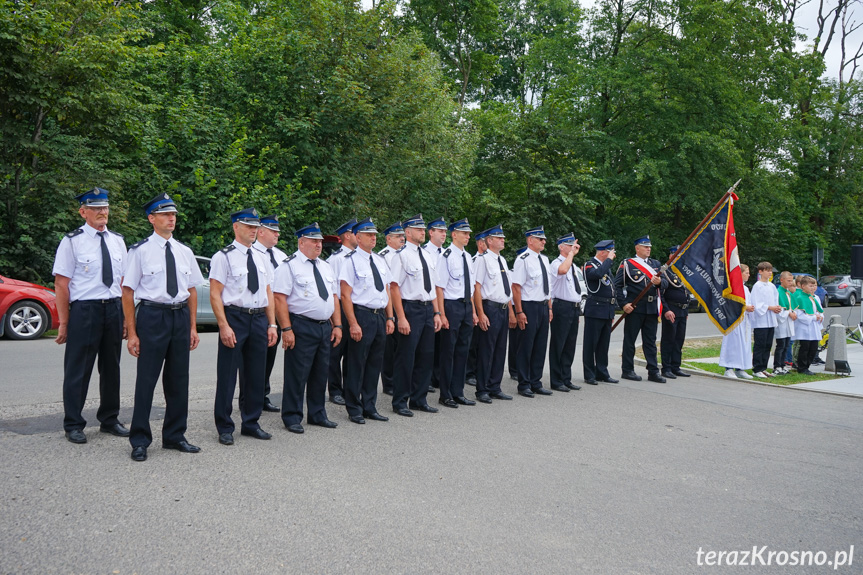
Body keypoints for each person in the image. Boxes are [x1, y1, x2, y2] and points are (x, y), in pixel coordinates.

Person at [123, 193, 204, 462]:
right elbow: (128, 292)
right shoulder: (140, 251)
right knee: (146, 380)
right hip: (152, 316)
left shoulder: (184, 251)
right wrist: (132, 332)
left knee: (179, 380)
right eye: (165, 214)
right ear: (152, 219)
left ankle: (175, 435)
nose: (172, 218)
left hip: (179, 317)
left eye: (174, 215)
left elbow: (191, 290)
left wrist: (192, 326)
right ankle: (140, 440)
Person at [53, 187, 129, 444]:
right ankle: (73, 423)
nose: (102, 213)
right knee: (79, 369)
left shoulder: (118, 240)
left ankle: (109, 419)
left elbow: (123, 281)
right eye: (96, 209)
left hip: (114, 308)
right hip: (86, 310)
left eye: (105, 208)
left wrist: (129, 320)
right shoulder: (72, 241)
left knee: (112, 368)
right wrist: (64, 322)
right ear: (83, 212)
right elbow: (62, 284)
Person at [210, 208, 278, 445]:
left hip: (259, 318)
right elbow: (216, 294)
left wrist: (272, 324)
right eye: (249, 226)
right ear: (235, 227)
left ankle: (251, 422)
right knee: (228, 374)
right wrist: (223, 326)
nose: (254, 230)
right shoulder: (224, 256)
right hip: (235, 317)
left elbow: (267, 291)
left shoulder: (262, 257)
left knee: (255, 375)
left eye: (255, 226)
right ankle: (225, 426)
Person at [274, 223, 343, 433]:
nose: (318, 245)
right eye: (314, 241)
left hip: (324, 326)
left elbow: (333, 297)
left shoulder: (325, 266)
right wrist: (286, 329)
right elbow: (279, 298)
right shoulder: (289, 266)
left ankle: (317, 413)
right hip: (301, 324)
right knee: (297, 374)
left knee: (320, 373)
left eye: (320, 241)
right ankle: (292, 416)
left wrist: (337, 324)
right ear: (301, 242)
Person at [339, 218, 393, 424]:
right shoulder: (350, 261)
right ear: (358, 237)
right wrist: (352, 323)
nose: (373, 238)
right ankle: (354, 408)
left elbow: (386, 289)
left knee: (374, 363)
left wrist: (390, 317)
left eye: (375, 235)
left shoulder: (380, 260)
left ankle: (370, 405)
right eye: (369, 235)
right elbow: (345, 295)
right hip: (361, 314)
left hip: (379, 315)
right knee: (356, 362)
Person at [389, 214, 443, 416]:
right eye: (419, 229)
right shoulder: (401, 255)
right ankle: (401, 401)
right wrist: (400, 317)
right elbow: (394, 287)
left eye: (423, 229)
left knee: (426, 356)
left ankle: (419, 399)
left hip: (428, 308)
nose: (422, 232)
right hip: (410, 308)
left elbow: (434, 287)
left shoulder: (427, 255)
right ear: (408, 232)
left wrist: (437, 312)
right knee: (406, 356)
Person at [238, 214, 286, 413]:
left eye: (278, 231)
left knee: (269, 358)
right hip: (257, 311)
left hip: (276, 313)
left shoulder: (281, 256)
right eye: (273, 231)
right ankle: (246, 399)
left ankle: (262, 395)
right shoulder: (251, 252)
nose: (277, 235)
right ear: (261, 231)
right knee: (250, 360)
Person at [435, 218, 478, 408]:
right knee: (448, 351)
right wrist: (442, 314)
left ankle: (458, 391)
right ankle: (445, 394)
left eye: (469, 234)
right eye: (464, 233)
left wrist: (474, 312)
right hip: (451, 306)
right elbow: (439, 288)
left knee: (463, 351)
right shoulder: (446, 256)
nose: (468, 236)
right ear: (454, 235)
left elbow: (471, 289)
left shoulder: (468, 257)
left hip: (466, 306)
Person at [472, 225, 515, 403]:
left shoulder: (502, 260)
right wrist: (480, 313)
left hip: (503, 308)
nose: (503, 240)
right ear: (489, 241)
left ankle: (495, 386)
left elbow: (507, 288)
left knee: (499, 349)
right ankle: (482, 389)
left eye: (503, 237)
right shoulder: (482, 260)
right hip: (489, 307)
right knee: (486, 350)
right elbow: (477, 287)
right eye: (499, 238)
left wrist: (511, 311)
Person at [615, 235, 667, 383]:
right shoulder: (628, 264)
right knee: (630, 340)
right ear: (637, 248)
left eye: (649, 246)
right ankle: (627, 370)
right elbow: (617, 285)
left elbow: (665, 284)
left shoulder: (656, 264)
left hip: (651, 308)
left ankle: (653, 371)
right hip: (635, 307)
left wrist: (659, 283)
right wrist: (624, 304)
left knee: (650, 341)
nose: (648, 249)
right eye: (645, 246)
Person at [511, 226, 553, 398]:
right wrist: (519, 312)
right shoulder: (523, 259)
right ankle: (524, 383)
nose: (544, 241)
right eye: (540, 239)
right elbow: (516, 287)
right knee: (526, 346)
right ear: (530, 240)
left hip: (543, 306)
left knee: (540, 346)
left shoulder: (544, 259)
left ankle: (536, 381)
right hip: (529, 306)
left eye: (544, 239)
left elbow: (548, 287)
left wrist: (549, 308)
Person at [326, 219, 358, 407]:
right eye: (356, 233)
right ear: (347, 235)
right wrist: (334, 317)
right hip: (340, 309)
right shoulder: (337, 259)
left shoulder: (360, 257)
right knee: (336, 352)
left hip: (356, 308)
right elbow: (333, 290)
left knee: (352, 352)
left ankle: (350, 389)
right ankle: (335, 390)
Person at [548, 232, 583, 392]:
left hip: (573, 308)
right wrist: (570, 255)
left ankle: (566, 377)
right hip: (561, 307)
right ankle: (556, 380)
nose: (572, 249)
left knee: (569, 345)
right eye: (569, 246)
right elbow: (562, 271)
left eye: (573, 246)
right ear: (561, 247)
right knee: (558, 344)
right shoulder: (557, 263)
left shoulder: (573, 266)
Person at [582, 240, 619, 385]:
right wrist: (608, 260)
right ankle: (589, 374)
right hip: (595, 309)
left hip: (607, 310)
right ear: (603, 252)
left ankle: (602, 372)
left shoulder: (606, 267)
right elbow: (597, 275)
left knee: (604, 344)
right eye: (611, 252)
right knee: (591, 344)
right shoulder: (589, 265)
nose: (613, 255)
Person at [378, 221, 405, 396]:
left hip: (404, 303)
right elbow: (387, 285)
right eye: (398, 236)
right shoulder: (384, 256)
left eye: (403, 236)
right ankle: (388, 382)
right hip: (390, 304)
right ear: (388, 239)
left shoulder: (406, 254)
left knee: (402, 346)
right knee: (389, 346)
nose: (402, 239)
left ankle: (400, 379)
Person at [423, 217, 447, 392]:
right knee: (426, 345)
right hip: (427, 303)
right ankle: (427, 378)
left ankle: (437, 377)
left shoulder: (446, 254)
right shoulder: (424, 252)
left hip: (444, 303)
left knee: (441, 344)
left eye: (445, 231)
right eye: (440, 231)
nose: (443, 234)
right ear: (430, 232)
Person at [660, 245, 691, 379]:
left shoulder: (684, 272)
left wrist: (687, 310)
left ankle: (675, 366)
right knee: (669, 339)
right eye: (677, 255)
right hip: (671, 309)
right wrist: (666, 310)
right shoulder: (665, 271)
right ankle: (666, 368)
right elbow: (660, 294)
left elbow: (685, 292)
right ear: (671, 256)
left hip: (682, 311)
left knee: (679, 340)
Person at [719, 264, 755, 379]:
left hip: (744, 321)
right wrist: (745, 308)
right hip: (734, 320)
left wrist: (750, 308)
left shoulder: (745, 288)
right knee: (733, 344)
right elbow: (730, 304)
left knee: (743, 344)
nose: (749, 275)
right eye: (746, 273)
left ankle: (741, 368)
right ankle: (729, 368)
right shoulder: (732, 287)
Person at [464, 230, 488, 388]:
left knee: (482, 343)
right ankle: (470, 372)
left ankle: (478, 370)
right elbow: (474, 287)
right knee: (474, 342)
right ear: (480, 243)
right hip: (479, 303)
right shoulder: (475, 260)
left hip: (484, 303)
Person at [750, 262, 781, 378]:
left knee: (768, 345)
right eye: (767, 270)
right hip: (761, 320)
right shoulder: (757, 286)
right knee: (760, 344)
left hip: (770, 319)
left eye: (770, 270)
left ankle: (763, 367)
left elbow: (775, 299)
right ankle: (757, 368)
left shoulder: (772, 286)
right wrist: (769, 307)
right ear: (761, 272)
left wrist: (776, 307)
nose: (769, 272)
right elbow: (756, 303)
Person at [792, 275, 824, 375]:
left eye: (814, 286)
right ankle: (802, 367)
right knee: (804, 348)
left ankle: (807, 366)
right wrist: (814, 317)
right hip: (804, 328)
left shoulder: (812, 298)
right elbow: (800, 315)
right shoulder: (799, 298)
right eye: (810, 286)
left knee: (813, 348)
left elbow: (818, 310)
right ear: (803, 286)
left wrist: (819, 315)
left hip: (813, 327)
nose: (812, 288)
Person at [507, 246, 527, 380]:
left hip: (525, 306)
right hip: (514, 307)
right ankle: (514, 369)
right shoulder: (512, 272)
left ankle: (521, 368)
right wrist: (512, 313)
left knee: (523, 341)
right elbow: (510, 293)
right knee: (515, 341)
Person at [773, 271, 798, 375]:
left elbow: (791, 307)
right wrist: (789, 313)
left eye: (791, 280)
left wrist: (793, 312)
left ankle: (783, 365)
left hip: (788, 322)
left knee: (787, 344)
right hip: (782, 323)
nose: (791, 282)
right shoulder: (779, 292)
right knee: (781, 345)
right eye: (788, 280)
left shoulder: (788, 293)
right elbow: (779, 310)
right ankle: (777, 366)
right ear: (781, 280)